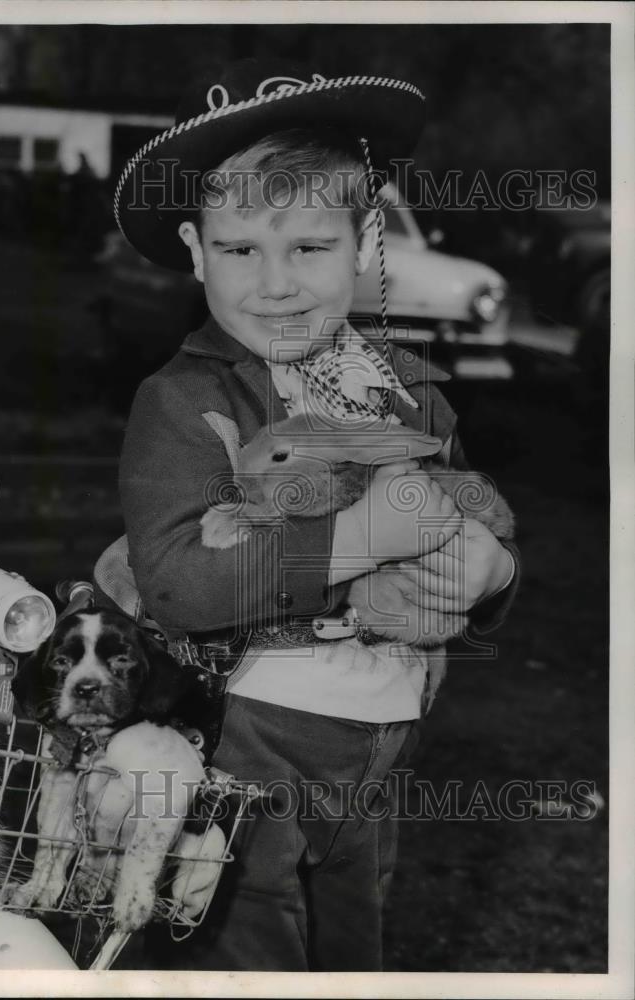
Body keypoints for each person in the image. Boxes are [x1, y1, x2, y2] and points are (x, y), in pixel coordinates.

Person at [100, 58, 519, 972]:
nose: (277, 284)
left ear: (366, 239)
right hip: (246, 739)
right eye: (242, 249)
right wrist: (356, 537)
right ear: (195, 248)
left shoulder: (405, 393)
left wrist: (492, 572)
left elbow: (472, 506)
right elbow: (174, 580)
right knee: (248, 941)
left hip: (378, 737)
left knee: (352, 936)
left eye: (310, 248)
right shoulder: (182, 400)